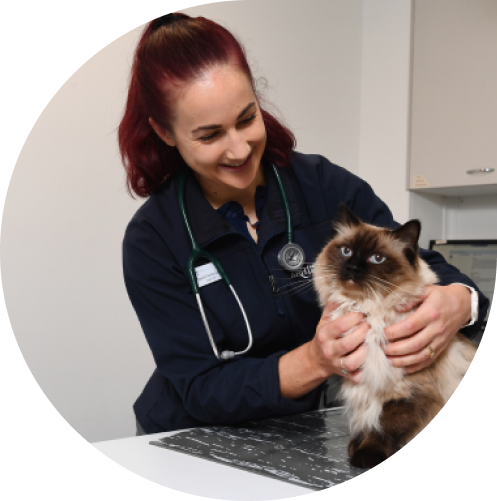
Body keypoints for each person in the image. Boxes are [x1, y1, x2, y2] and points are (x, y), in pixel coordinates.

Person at [119, 14, 489, 435]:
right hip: (189, 434)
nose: (239, 149)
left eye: (247, 118)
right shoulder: (152, 239)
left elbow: (419, 262)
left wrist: (459, 302)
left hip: (299, 427)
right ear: (165, 132)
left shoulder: (323, 185)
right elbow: (201, 389)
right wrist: (314, 361)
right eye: (209, 135)